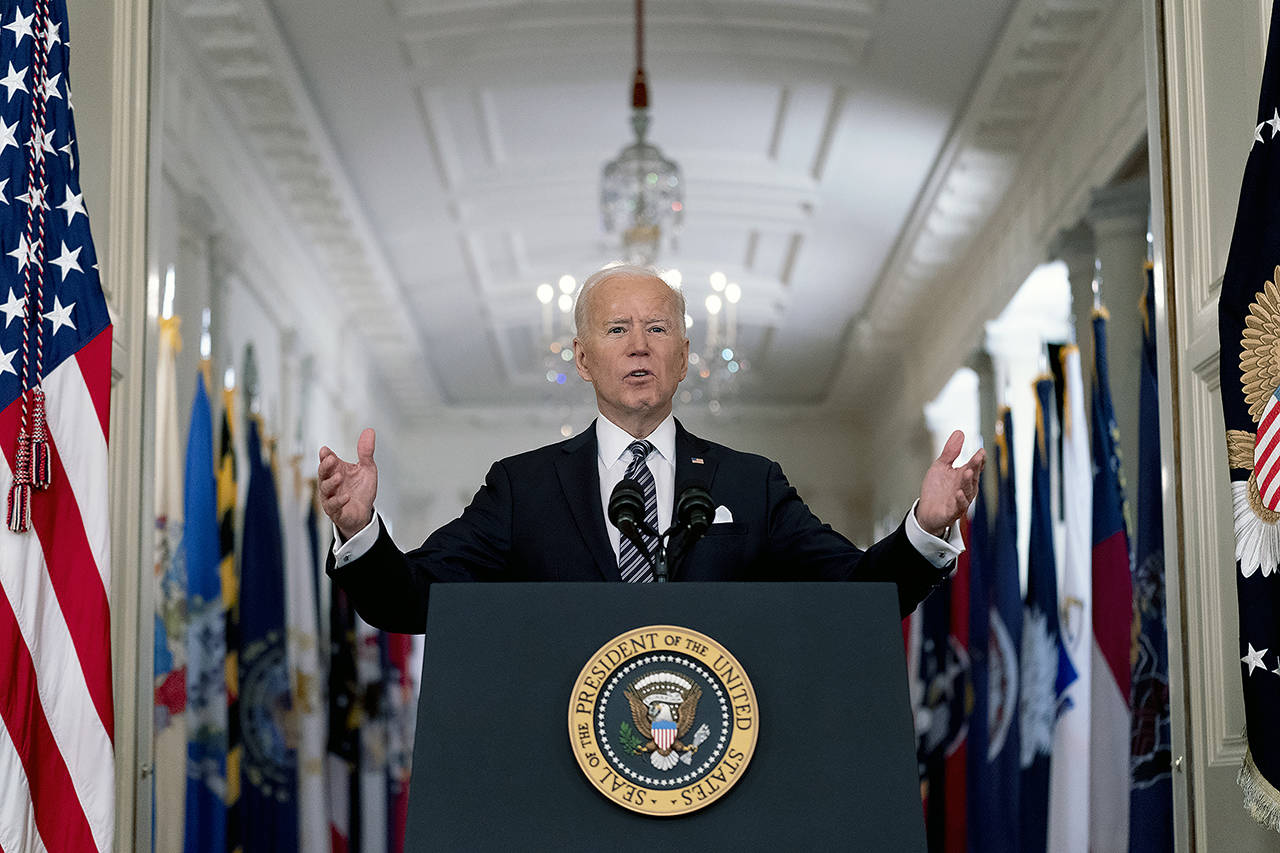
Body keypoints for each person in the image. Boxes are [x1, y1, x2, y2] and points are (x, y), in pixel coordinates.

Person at [319, 265, 985, 634]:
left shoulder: (749, 484)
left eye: (658, 327)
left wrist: (925, 529)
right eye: (616, 329)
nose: (639, 344)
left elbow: (858, 594)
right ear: (583, 359)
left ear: (684, 356)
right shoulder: (523, 489)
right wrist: (358, 531)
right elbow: (410, 599)